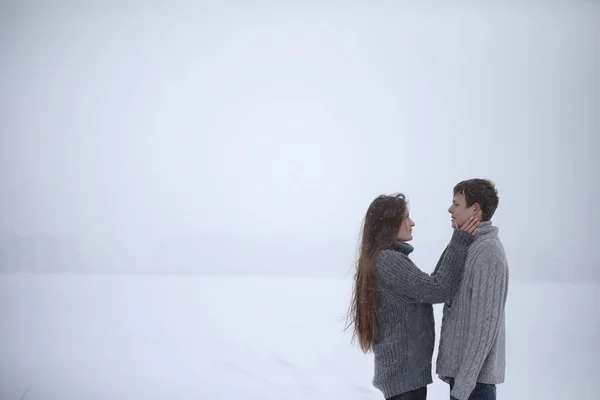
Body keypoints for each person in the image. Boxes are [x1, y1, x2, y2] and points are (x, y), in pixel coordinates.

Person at [347, 192, 479, 400]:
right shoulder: (389, 261)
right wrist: (460, 241)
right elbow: (437, 289)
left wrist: (457, 242)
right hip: (404, 383)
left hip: (404, 380)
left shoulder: (385, 259)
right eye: (406, 217)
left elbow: (431, 283)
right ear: (389, 223)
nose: (412, 222)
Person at [436, 179, 509, 400]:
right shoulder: (468, 245)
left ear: (475, 209)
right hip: (465, 381)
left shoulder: (488, 252)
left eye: (456, 204)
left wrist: (463, 388)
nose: (450, 209)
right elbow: (438, 284)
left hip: (475, 386)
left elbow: (484, 328)